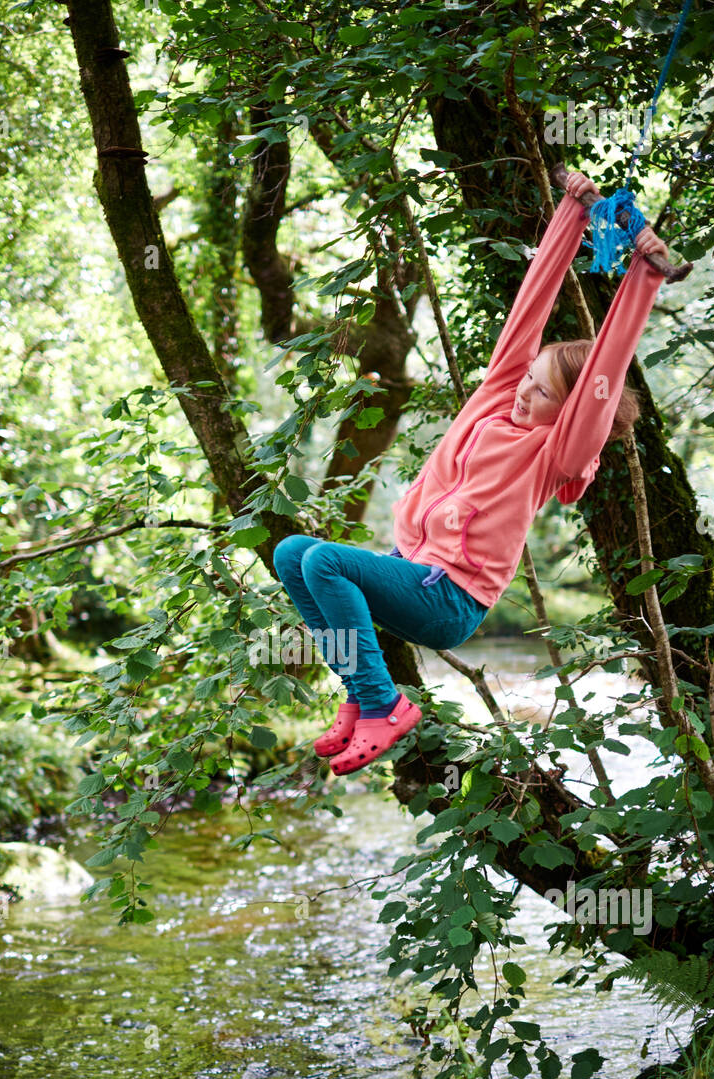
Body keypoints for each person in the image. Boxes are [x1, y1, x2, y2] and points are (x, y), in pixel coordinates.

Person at [273, 170, 669, 775]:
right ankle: (362, 695)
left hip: (449, 602)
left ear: (567, 417)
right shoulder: (497, 395)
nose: (522, 396)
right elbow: (529, 307)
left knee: (324, 561)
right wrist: (571, 213)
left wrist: (643, 278)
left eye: (540, 396)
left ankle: (382, 703)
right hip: (414, 574)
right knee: (292, 553)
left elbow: (602, 378)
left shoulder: (551, 454)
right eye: (528, 380)